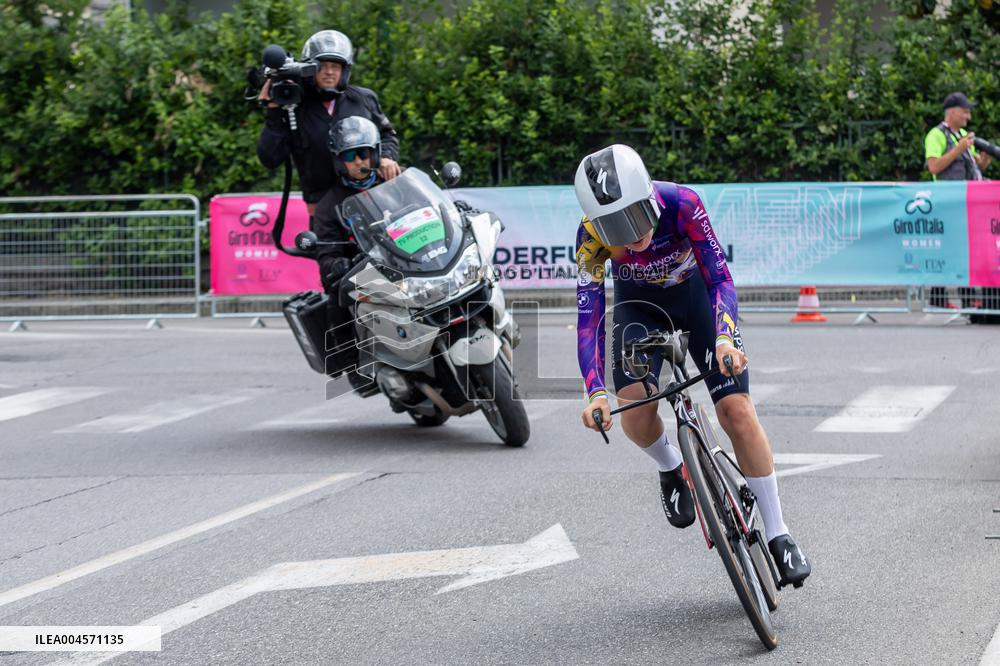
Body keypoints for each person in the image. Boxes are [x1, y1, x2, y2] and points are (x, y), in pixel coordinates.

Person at [574, 144, 811, 587]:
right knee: (635, 411)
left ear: (649, 195)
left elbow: (720, 277)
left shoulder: (683, 202)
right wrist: (594, 392)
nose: (630, 237)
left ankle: (779, 533)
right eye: (613, 228)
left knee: (736, 411)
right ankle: (670, 467)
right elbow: (588, 316)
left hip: (698, 299)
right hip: (638, 308)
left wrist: (724, 335)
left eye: (636, 218)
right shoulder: (589, 237)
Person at [256, 29, 400, 213]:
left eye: (336, 66)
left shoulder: (363, 99)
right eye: (321, 66)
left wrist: (386, 157)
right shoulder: (294, 107)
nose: (329, 72)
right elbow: (269, 159)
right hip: (323, 210)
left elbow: (388, 135)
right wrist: (274, 112)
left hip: (371, 201)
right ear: (309, 69)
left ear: (345, 70)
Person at [313, 116, 389, 391]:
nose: (359, 161)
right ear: (339, 160)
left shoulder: (392, 183)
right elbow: (327, 250)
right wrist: (336, 264)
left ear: (374, 154)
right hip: (366, 267)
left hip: (405, 258)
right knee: (338, 293)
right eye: (350, 156)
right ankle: (354, 363)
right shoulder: (329, 205)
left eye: (364, 153)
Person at [924, 92, 993, 310]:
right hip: (948, 201)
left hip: (968, 201)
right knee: (954, 249)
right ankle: (952, 298)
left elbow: (972, 167)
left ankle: (953, 298)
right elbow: (934, 167)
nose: (968, 116)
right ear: (952, 112)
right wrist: (959, 149)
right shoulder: (936, 135)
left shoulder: (962, 134)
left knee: (965, 249)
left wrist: (984, 161)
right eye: (965, 111)